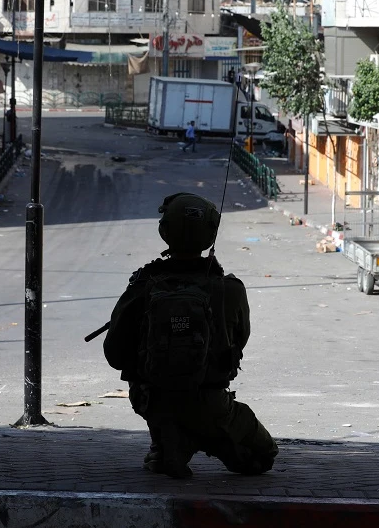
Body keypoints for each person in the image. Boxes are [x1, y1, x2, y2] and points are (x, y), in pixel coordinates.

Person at [103, 193, 278, 479]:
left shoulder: (143, 285)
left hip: (151, 400)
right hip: (209, 403)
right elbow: (239, 341)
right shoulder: (230, 289)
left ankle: (169, 440)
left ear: (164, 231)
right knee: (263, 456)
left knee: (172, 420)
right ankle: (190, 437)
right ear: (211, 234)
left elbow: (115, 354)